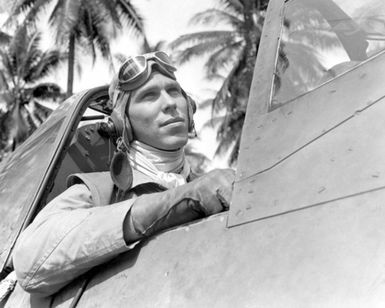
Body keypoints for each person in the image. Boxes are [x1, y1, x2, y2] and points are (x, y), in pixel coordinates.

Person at [12, 51, 235, 297]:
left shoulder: (215, 187)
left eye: (173, 91)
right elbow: (28, 261)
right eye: (149, 96)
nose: (170, 103)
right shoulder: (96, 191)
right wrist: (173, 204)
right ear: (122, 121)